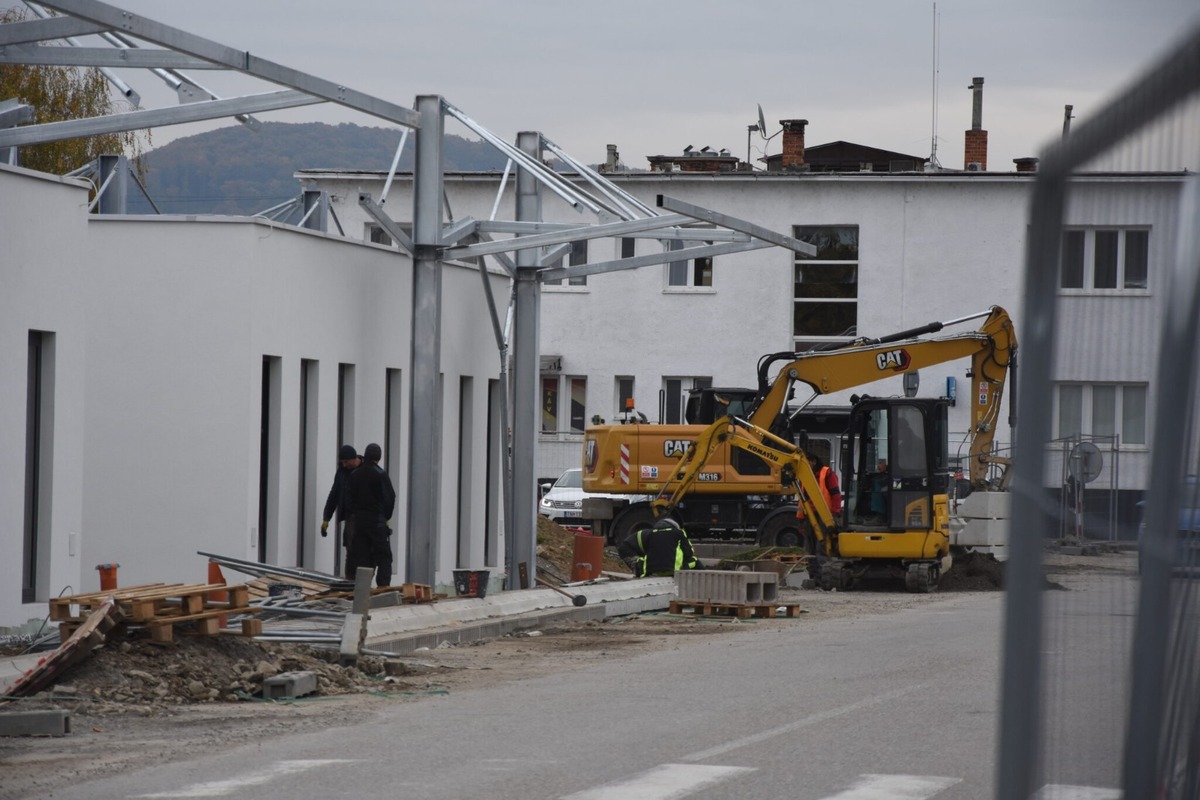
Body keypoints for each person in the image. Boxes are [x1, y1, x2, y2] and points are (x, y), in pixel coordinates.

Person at [348, 442, 397, 588]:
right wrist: (386, 517)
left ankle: (362, 592)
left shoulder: (355, 474)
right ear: (378, 457)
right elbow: (390, 497)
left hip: (360, 524)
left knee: (363, 560)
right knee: (384, 557)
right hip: (377, 523)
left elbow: (349, 499)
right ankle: (383, 589)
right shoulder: (380, 474)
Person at [321, 444, 361, 577]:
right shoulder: (342, 473)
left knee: (362, 552)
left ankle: (360, 583)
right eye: (342, 462)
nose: (344, 465)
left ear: (354, 458)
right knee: (350, 551)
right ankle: (350, 583)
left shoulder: (366, 470)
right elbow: (334, 494)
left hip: (365, 517)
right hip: (350, 516)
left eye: (346, 462)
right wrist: (327, 517)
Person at [618, 517, 700, 578]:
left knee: (642, 563)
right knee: (694, 560)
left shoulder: (649, 533)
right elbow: (689, 553)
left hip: (651, 571)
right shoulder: (678, 533)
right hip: (674, 571)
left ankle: (639, 572)